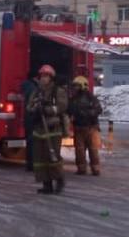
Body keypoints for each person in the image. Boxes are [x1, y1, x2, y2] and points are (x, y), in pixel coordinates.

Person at [26, 64, 67, 194]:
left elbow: (62, 107)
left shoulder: (57, 91)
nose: (44, 78)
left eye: (46, 76)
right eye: (42, 76)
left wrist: (47, 109)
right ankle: (46, 185)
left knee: (52, 157)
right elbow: (29, 106)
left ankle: (59, 180)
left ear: (51, 77)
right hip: (39, 129)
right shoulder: (36, 91)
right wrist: (35, 110)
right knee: (40, 159)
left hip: (52, 130)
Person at [67, 76, 102, 176]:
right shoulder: (73, 99)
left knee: (93, 149)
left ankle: (95, 169)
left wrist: (87, 113)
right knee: (79, 150)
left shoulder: (91, 98)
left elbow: (98, 109)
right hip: (79, 128)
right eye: (74, 86)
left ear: (83, 86)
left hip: (91, 127)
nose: (75, 88)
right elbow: (69, 110)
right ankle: (81, 168)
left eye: (77, 86)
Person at [20, 73, 38, 172]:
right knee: (33, 141)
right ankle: (32, 164)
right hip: (32, 118)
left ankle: (29, 163)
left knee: (29, 141)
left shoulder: (25, 85)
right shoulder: (33, 88)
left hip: (28, 118)